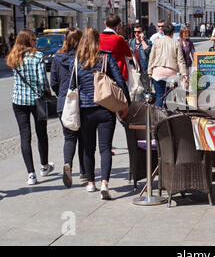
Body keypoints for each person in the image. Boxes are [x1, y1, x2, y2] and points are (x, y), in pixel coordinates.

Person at [70, 27, 130, 200]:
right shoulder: (106, 57)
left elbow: (71, 86)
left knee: (88, 148)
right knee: (105, 148)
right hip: (105, 109)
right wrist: (126, 103)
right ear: (98, 41)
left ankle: (91, 183)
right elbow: (120, 80)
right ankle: (104, 183)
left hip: (86, 111)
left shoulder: (78, 61)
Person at [6, 29, 54, 185]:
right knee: (41, 133)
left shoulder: (13, 57)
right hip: (36, 101)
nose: (35, 42)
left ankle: (31, 174)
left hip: (19, 101)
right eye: (33, 39)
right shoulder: (37, 56)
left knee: (25, 137)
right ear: (27, 41)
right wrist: (47, 91)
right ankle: (44, 166)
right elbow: (42, 81)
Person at [50, 27, 86, 188]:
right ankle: (84, 173)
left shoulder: (57, 58)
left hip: (64, 102)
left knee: (69, 137)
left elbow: (54, 83)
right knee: (84, 138)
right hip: (82, 101)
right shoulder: (83, 57)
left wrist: (62, 96)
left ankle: (67, 164)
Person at [148, 22, 188, 107]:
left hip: (157, 72)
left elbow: (152, 57)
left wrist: (149, 71)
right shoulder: (176, 43)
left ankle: (157, 115)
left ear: (163, 31)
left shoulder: (157, 42)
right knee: (171, 96)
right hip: (171, 73)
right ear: (172, 33)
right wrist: (184, 74)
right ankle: (169, 114)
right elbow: (180, 60)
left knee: (159, 95)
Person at [99, 14, 133, 81]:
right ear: (117, 25)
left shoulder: (98, 37)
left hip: (102, 69)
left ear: (105, 24)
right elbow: (129, 54)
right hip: (118, 70)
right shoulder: (119, 38)